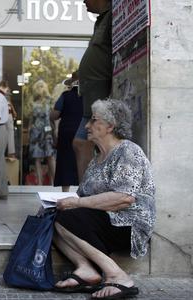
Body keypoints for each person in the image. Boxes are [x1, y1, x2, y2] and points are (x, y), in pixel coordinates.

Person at [53, 99, 155, 299]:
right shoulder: (97, 159)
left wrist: (77, 203)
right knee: (52, 215)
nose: (87, 126)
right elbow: (82, 196)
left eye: (93, 120)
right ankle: (85, 269)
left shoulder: (127, 151)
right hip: (105, 219)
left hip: (128, 223)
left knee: (67, 219)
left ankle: (118, 275)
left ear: (110, 126)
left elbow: (124, 198)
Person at [73, 0, 112, 182]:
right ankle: (87, 194)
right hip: (92, 97)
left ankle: (87, 195)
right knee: (83, 144)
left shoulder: (112, 17)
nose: (83, 1)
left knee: (83, 143)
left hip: (101, 96)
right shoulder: (101, 20)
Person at [50, 72, 83, 192]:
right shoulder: (88, 97)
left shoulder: (65, 95)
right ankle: (83, 191)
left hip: (66, 133)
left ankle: (65, 192)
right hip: (83, 133)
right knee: (82, 160)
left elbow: (54, 115)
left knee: (65, 161)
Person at [28, 80, 56, 185]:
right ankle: (39, 183)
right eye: (38, 86)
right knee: (37, 158)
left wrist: (55, 129)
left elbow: (54, 117)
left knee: (50, 156)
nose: (40, 88)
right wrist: (29, 128)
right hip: (35, 132)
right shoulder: (33, 102)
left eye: (42, 86)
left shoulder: (50, 101)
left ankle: (54, 182)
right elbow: (31, 118)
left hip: (47, 131)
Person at [0, 80, 17, 159]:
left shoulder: (7, 90)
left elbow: (9, 101)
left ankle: (11, 152)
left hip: (8, 112)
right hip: (2, 113)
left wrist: (13, 110)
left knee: (10, 131)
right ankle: (1, 152)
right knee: (1, 134)